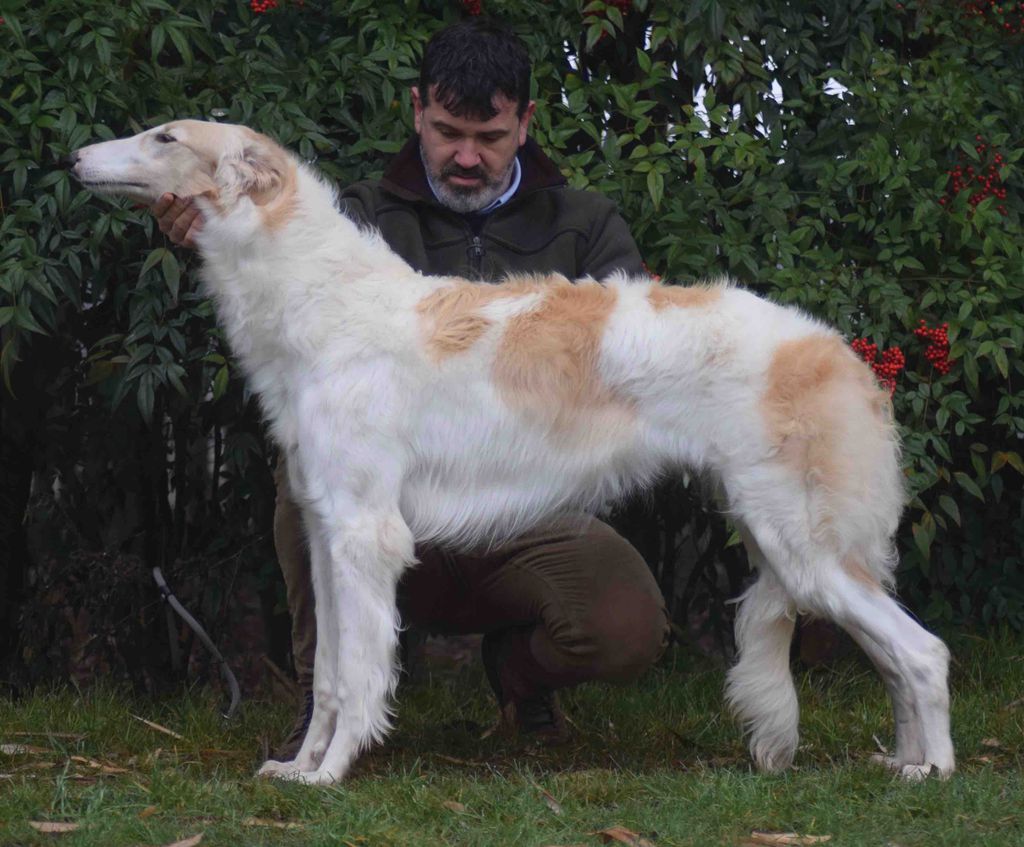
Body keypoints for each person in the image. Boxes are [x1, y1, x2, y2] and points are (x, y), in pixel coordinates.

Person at [154, 18, 670, 759]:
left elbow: (635, 368)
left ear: (525, 123)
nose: (466, 156)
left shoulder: (587, 227)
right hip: (390, 495)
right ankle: (325, 706)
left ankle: (522, 678)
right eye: (448, 130)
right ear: (416, 110)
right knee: (309, 469)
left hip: (524, 509)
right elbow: (284, 346)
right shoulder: (356, 216)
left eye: (489, 136)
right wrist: (213, 234)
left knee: (627, 622)